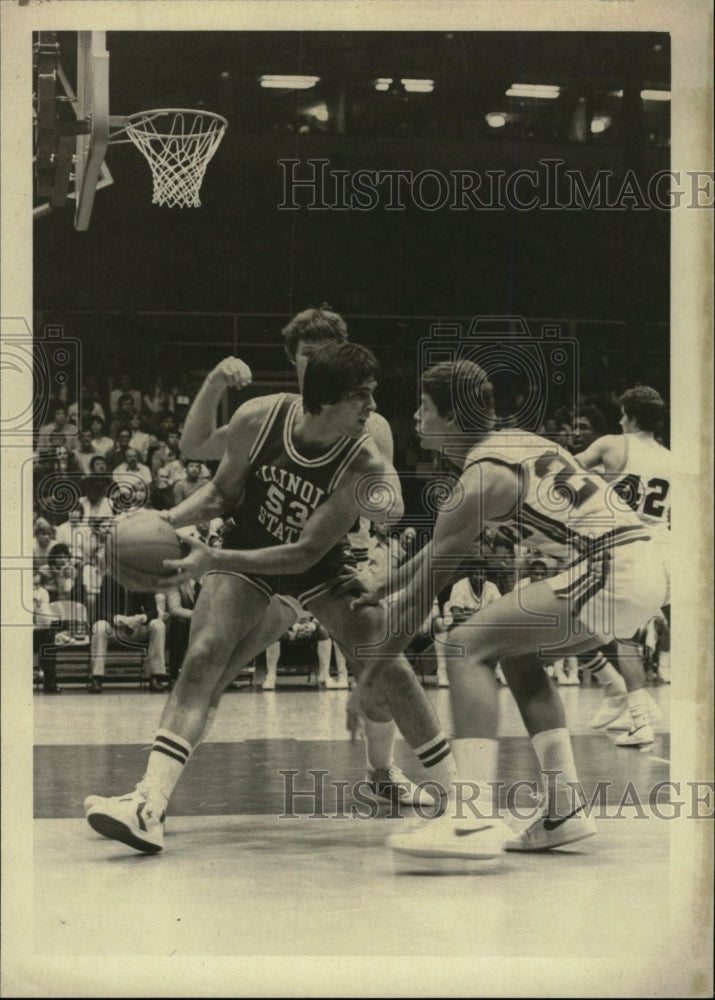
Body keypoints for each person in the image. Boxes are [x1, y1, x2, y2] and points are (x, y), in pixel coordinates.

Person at [85, 343, 459, 854]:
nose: (373, 409)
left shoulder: (363, 459)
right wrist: (159, 525)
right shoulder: (258, 419)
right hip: (247, 544)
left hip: (319, 566)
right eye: (362, 398)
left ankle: (458, 801)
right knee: (203, 656)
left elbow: (305, 553)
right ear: (325, 400)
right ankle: (149, 803)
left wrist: (211, 561)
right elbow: (219, 495)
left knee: (385, 661)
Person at [353, 359, 667, 864]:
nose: (414, 416)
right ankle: (563, 807)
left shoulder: (481, 478)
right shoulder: (517, 443)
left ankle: (469, 817)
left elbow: (424, 591)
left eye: (424, 407)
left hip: (611, 566)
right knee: (518, 655)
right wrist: (381, 584)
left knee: (462, 643)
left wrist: (373, 669)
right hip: (643, 565)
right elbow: (434, 553)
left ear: (453, 417)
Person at [176, 308, 424, 797]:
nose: (317, 365)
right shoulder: (273, 414)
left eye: (326, 355)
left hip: (336, 562)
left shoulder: (367, 425)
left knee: (378, 676)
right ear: (293, 361)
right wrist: (213, 383)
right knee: (211, 665)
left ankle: (382, 774)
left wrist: (385, 507)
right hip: (266, 556)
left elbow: (388, 504)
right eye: (308, 356)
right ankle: (156, 790)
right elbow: (195, 444)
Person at [575, 384, 671, 745]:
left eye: (621, 415)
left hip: (630, 548)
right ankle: (643, 708)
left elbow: (567, 472)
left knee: (623, 635)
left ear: (629, 418)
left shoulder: (613, 444)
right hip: (667, 547)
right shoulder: (671, 457)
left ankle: (639, 718)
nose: (619, 420)